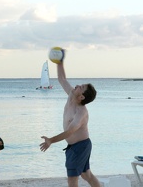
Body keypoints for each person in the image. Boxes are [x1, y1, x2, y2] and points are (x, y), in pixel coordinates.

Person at [40, 51, 100, 187]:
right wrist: (60, 62)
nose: (77, 85)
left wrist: (51, 140)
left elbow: (69, 132)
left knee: (72, 178)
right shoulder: (71, 95)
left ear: (82, 97)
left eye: (81, 87)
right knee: (86, 174)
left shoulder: (81, 112)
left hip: (80, 146)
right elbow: (62, 79)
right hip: (77, 146)